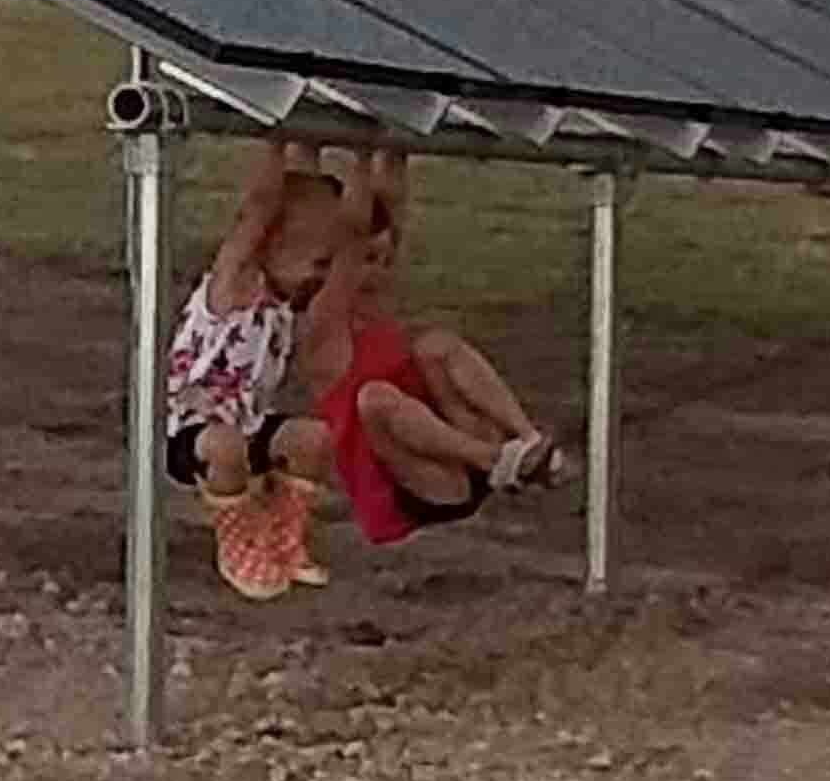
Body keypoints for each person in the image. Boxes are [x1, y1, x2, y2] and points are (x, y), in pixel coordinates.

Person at [272, 149, 565, 549]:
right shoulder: (324, 328)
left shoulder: (375, 302)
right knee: (374, 398)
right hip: (418, 485)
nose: (377, 270)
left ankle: (526, 441)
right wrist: (357, 152)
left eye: (383, 260)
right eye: (367, 260)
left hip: (455, 451)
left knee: (434, 346)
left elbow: (388, 205)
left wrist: (391, 146)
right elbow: (346, 232)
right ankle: (494, 459)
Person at [159, 136, 354, 505]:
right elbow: (259, 210)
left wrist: (305, 130)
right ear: (271, 246)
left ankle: (281, 536)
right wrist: (275, 140)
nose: (322, 278)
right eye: (318, 263)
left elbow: (303, 182)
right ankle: (238, 536)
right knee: (226, 446)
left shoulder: (283, 302)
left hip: (248, 426)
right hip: (188, 432)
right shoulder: (236, 286)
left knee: (315, 440)